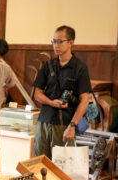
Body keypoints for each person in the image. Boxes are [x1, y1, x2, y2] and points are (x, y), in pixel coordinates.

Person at [32, 25, 92, 159]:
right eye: (53, 41)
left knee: (62, 167)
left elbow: (85, 100)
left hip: (65, 124)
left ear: (71, 43)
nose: (56, 45)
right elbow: (37, 93)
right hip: (44, 121)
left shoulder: (80, 68)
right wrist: (51, 103)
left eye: (60, 41)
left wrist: (72, 126)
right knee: (40, 162)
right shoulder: (48, 66)